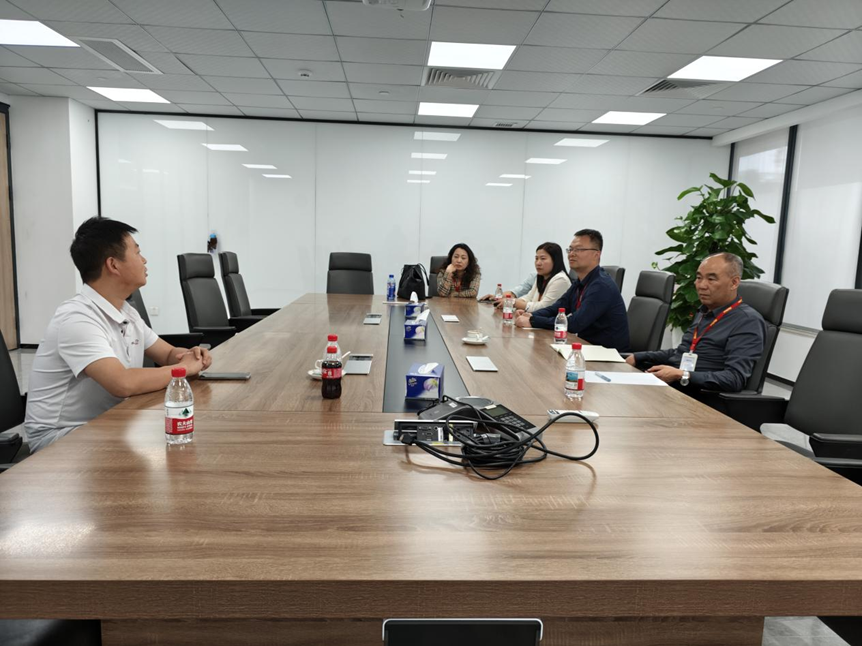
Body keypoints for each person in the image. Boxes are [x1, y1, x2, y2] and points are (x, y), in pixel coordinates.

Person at [24, 217, 213, 453]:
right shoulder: (77, 318)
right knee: (164, 442)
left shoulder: (125, 311)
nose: (144, 260)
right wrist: (184, 369)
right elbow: (122, 383)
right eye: (137, 252)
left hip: (106, 422)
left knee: (175, 435)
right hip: (59, 438)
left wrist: (191, 355)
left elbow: (167, 354)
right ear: (113, 265)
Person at [626, 252, 765, 394]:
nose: (702, 285)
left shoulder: (747, 321)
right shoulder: (704, 311)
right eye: (699, 278)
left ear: (734, 283)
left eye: (711, 279)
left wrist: (682, 375)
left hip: (699, 396)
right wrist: (639, 357)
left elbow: (734, 378)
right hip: (674, 387)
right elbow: (683, 352)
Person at [516, 229, 630, 351]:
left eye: (578, 249)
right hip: (585, 347)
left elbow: (575, 323)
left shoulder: (601, 286)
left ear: (596, 254)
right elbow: (557, 308)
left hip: (607, 354)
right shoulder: (580, 282)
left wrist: (533, 320)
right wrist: (531, 315)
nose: (571, 254)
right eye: (570, 249)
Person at [513, 243, 571, 312]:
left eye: (543, 259)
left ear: (555, 260)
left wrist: (514, 303)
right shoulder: (541, 277)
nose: (538, 263)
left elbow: (543, 307)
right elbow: (529, 297)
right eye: (536, 258)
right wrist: (517, 304)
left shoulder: (561, 279)